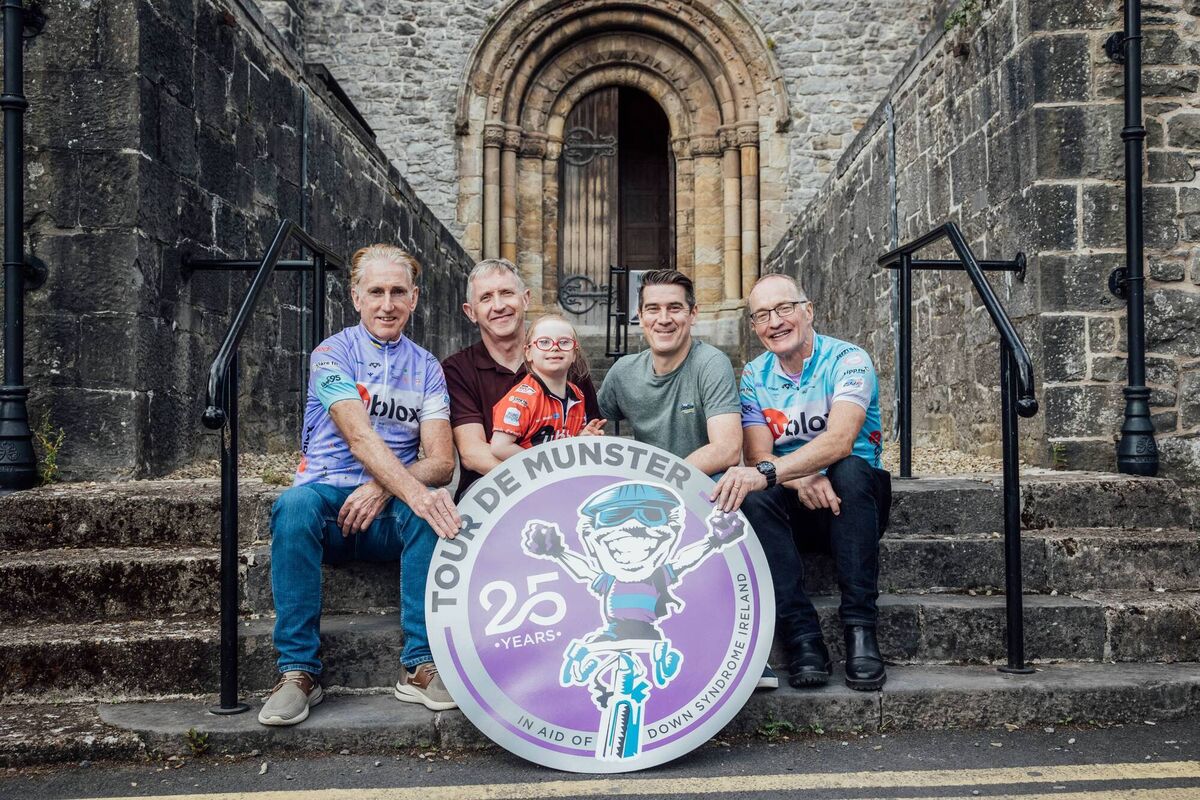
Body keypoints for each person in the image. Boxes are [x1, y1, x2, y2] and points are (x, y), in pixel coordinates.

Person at [259, 244, 463, 727]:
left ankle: (420, 664)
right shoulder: (331, 353)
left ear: (414, 298)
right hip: (329, 507)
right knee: (293, 505)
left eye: (398, 292)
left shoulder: (428, 368)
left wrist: (384, 488)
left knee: (430, 506)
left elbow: (440, 462)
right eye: (376, 292)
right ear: (355, 297)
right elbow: (358, 435)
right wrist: (403, 484)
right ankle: (297, 672)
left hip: (388, 516)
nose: (387, 304)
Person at [596, 269, 779, 689]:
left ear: (693, 314)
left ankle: (751, 651)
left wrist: (662, 484)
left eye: (675, 308)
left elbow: (726, 448)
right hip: (649, 507)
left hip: (704, 495)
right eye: (653, 309)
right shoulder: (623, 373)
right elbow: (589, 427)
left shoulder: (709, 363)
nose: (664, 319)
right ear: (640, 316)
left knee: (747, 505)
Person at [710, 274, 891, 692]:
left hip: (854, 505)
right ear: (754, 327)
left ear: (807, 311)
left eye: (783, 309)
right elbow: (759, 455)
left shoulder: (849, 359)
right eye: (762, 315)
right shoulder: (754, 375)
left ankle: (861, 629)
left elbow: (841, 439)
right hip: (797, 505)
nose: (774, 322)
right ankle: (802, 635)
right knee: (751, 495)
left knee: (849, 468)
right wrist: (798, 477)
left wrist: (777, 472)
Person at [443, 259, 601, 500]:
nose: (498, 306)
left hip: (566, 489)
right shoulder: (457, 369)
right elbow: (474, 454)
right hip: (490, 492)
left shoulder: (562, 360)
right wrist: (545, 483)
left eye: (507, 293)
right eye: (486, 298)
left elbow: (589, 436)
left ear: (525, 299)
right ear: (471, 312)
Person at [490, 314, 605, 460]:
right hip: (531, 473)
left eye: (564, 342)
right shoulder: (520, 400)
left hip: (562, 472)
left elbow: (566, 442)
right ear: (528, 353)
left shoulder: (578, 395)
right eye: (544, 342)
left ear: (574, 354)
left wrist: (581, 438)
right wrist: (546, 463)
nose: (555, 347)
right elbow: (500, 447)